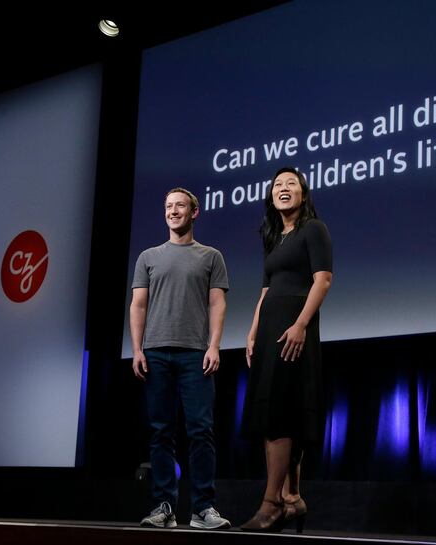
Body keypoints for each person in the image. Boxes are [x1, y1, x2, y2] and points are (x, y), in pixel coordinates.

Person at [130, 187, 231, 530]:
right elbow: (138, 304)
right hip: (156, 353)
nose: (173, 211)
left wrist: (214, 345)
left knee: (201, 431)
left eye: (180, 206)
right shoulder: (148, 257)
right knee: (161, 433)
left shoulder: (211, 256)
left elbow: (218, 304)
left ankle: (203, 508)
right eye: (168, 206)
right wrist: (138, 348)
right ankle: (164, 506)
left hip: (194, 354)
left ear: (194, 212)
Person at [239, 167, 333, 533]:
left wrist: (301, 324)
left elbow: (323, 280)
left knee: (282, 412)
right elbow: (265, 291)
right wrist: (252, 331)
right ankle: (292, 498)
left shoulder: (314, 229)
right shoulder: (274, 237)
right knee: (273, 411)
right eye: (278, 184)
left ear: (303, 194)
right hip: (269, 330)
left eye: (291, 183)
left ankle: (271, 503)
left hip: (295, 327)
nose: (283, 188)